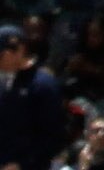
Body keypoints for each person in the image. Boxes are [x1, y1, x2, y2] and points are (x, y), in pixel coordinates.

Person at [0, 22, 65, 170]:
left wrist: (22, 163)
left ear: (19, 50)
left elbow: (52, 136)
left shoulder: (43, 85)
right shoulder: (5, 83)